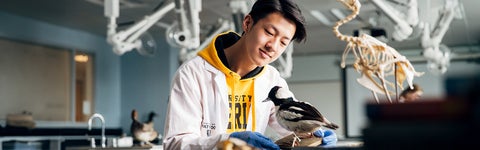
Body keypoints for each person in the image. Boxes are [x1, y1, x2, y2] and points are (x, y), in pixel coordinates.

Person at [163, 0, 337, 149]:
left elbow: (292, 125)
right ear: (247, 23)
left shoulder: (272, 80)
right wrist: (227, 141)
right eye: (269, 32)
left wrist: (315, 135)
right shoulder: (193, 73)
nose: (273, 46)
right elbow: (175, 144)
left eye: (283, 42)